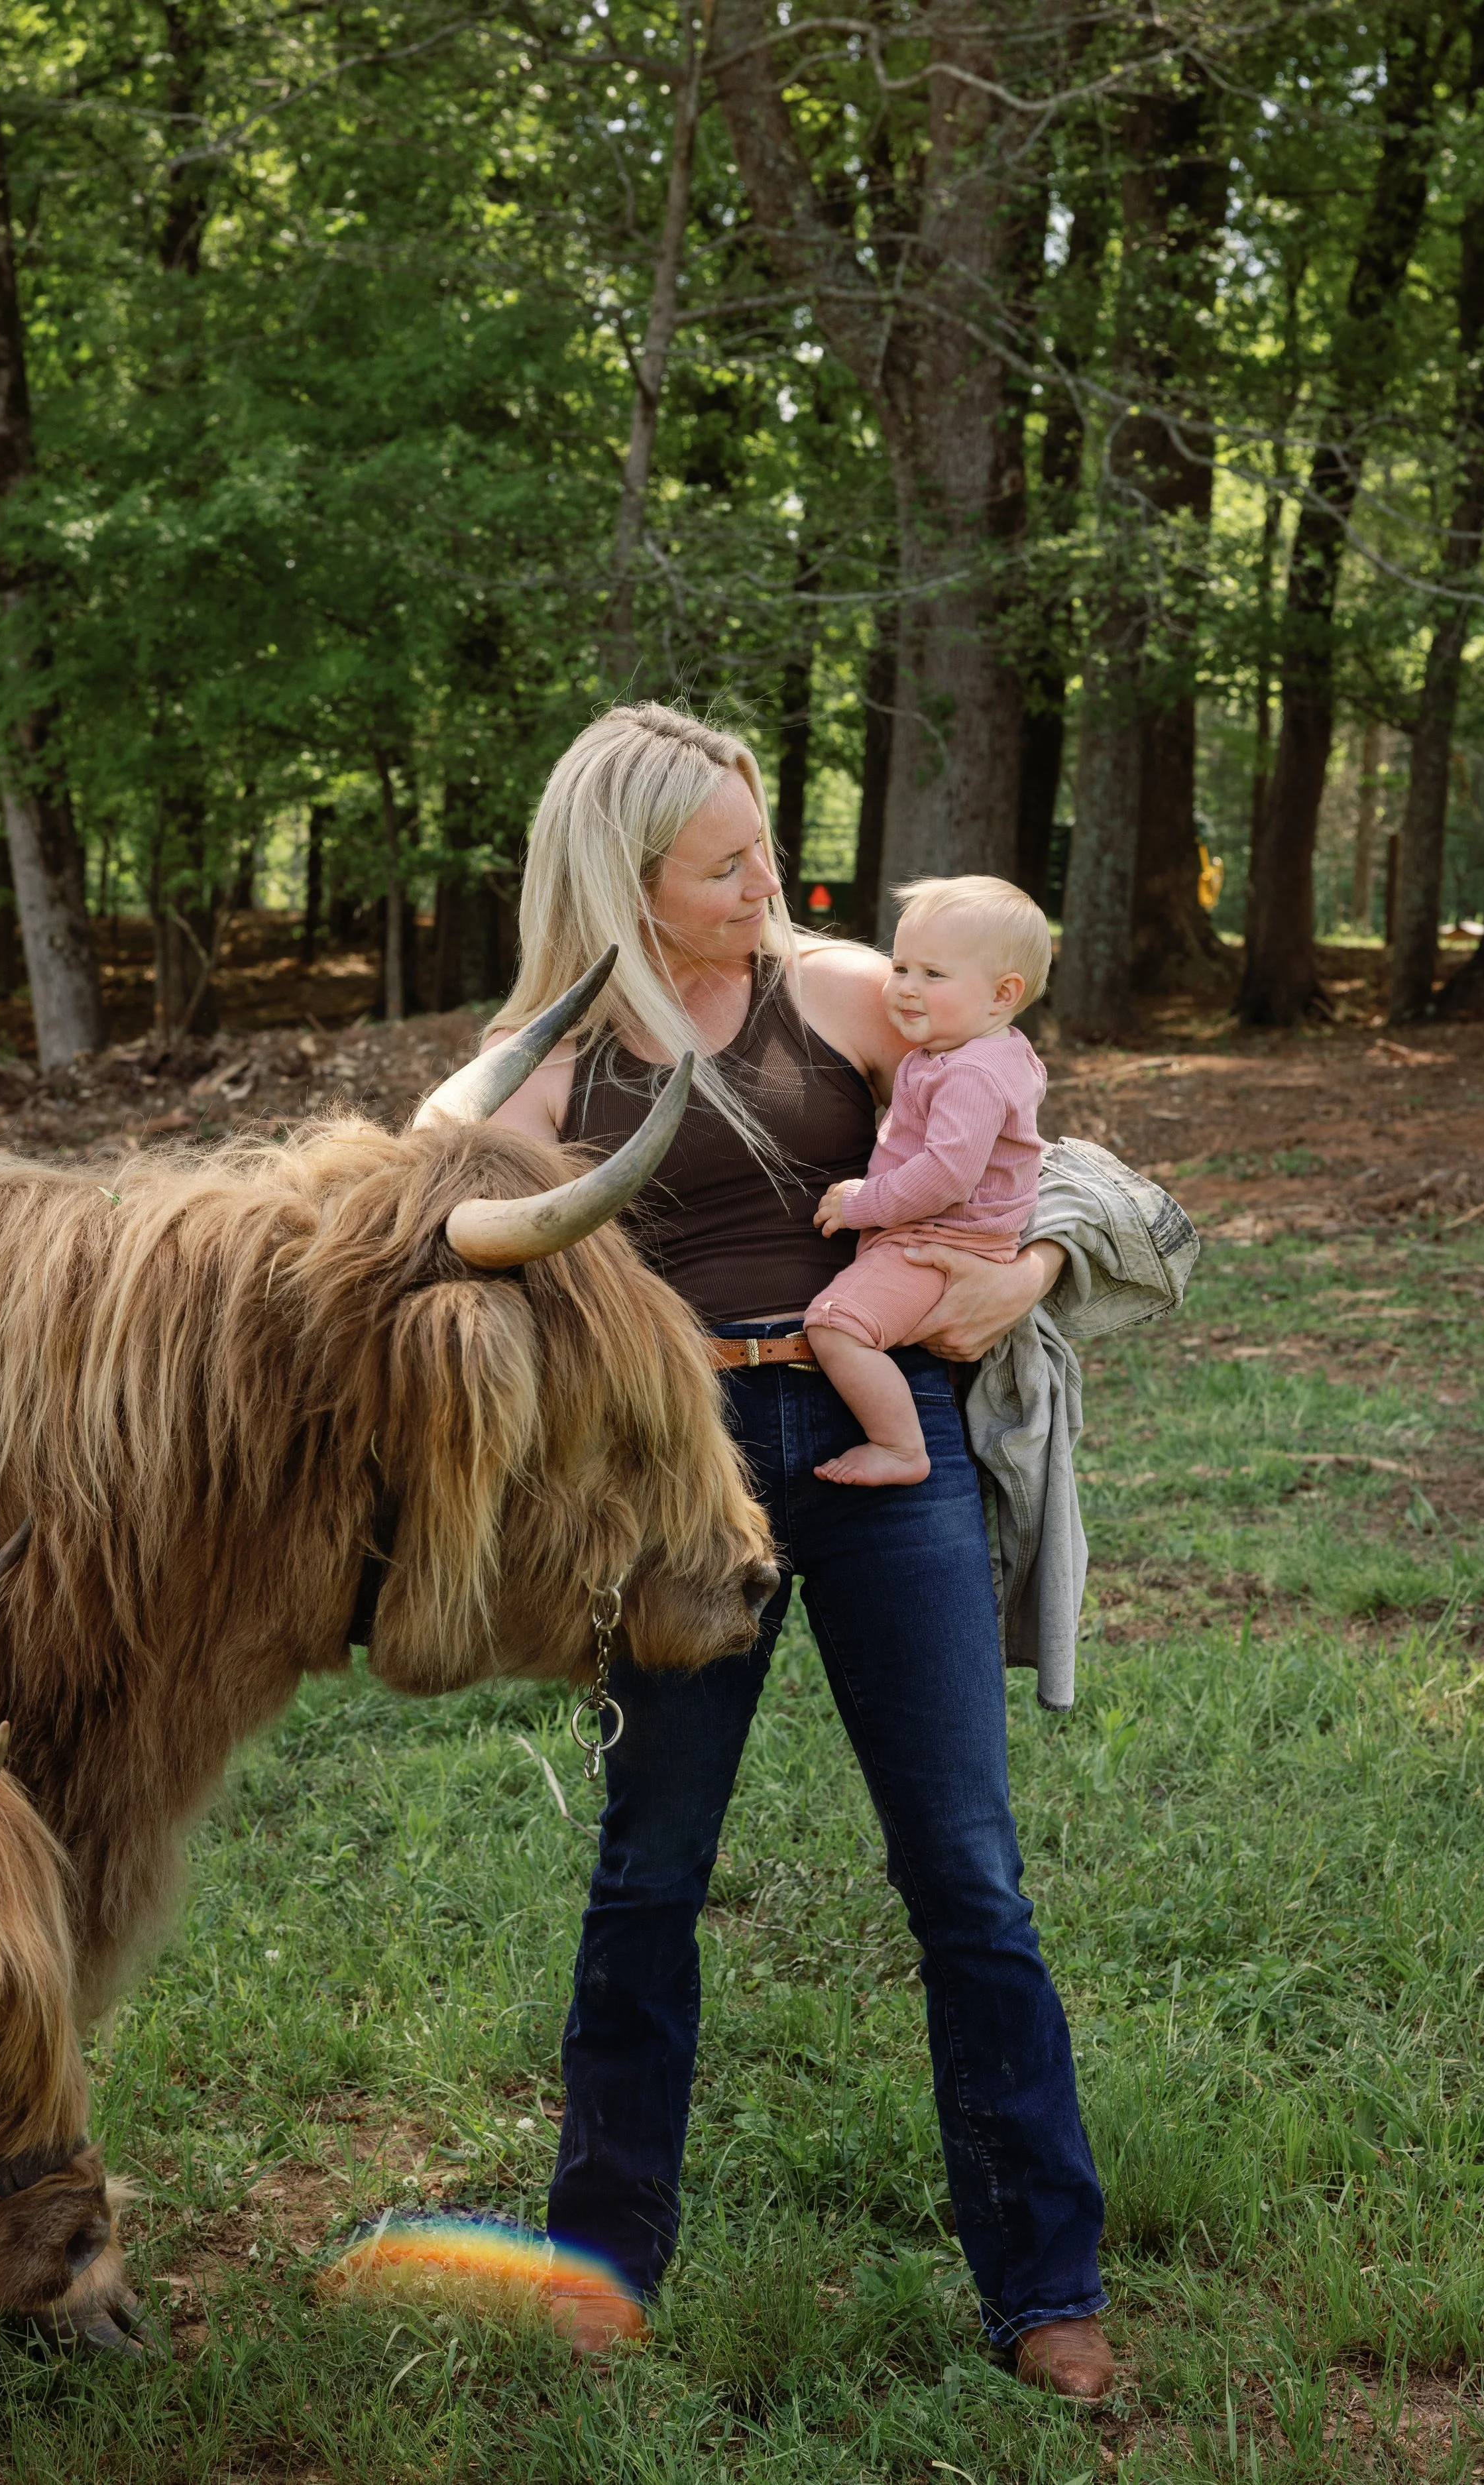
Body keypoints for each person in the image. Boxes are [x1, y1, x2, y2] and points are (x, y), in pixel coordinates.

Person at [482, 703, 1115, 2401]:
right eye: (722, 859)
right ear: (623, 873)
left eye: (764, 840)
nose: (766, 876)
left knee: (967, 1877)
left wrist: (1030, 1275)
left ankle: (1047, 2281)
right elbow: (420, 1232)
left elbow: (1043, 1151)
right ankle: (603, 2262)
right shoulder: (540, 1064)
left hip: (881, 1443)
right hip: (678, 1481)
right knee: (648, 1877)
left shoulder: (841, 991)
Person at [804, 875, 1052, 1487]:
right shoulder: (973, 1052)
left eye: (933, 975)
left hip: (940, 1242)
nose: (906, 989)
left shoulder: (971, 1075)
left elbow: (945, 1176)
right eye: (901, 967)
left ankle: (900, 1446)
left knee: (835, 1327)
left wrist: (864, 1202)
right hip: (939, 1236)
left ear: (1002, 994)